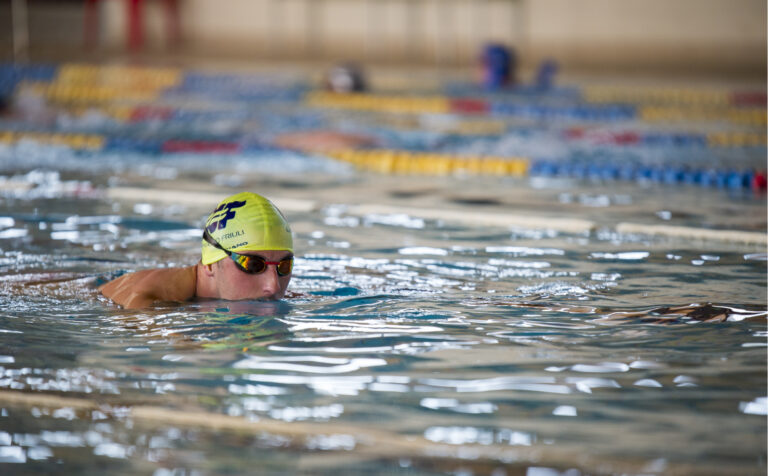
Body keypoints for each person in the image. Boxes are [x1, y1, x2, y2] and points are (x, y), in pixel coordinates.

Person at [99, 192, 294, 309]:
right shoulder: (146, 299)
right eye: (252, 265)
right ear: (209, 264)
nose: (274, 286)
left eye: (284, 266)